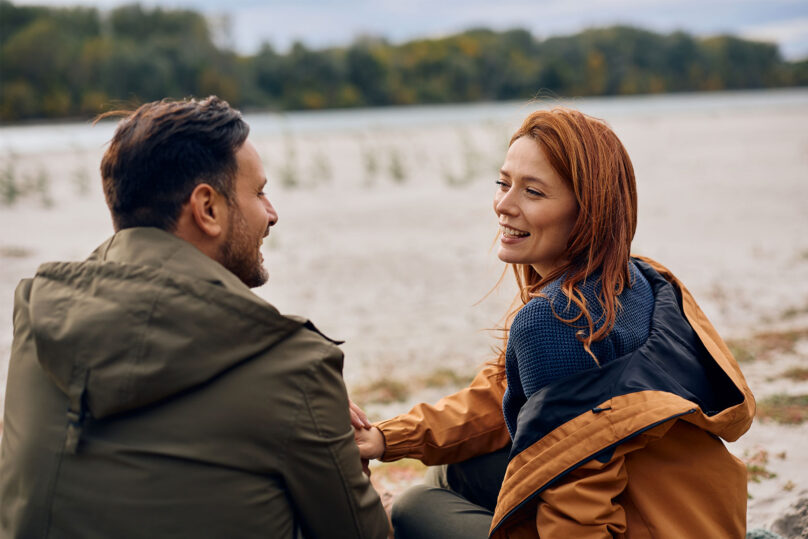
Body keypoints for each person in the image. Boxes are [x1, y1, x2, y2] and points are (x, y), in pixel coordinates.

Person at [354, 107, 755, 538]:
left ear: (588, 210)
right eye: (503, 183)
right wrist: (386, 438)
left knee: (414, 506)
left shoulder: (554, 319)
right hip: (700, 513)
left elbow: (581, 493)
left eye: (533, 193)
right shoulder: (639, 276)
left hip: (647, 522)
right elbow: (507, 394)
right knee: (456, 475)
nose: (503, 206)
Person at [0, 97, 389, 539]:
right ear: (207, 209)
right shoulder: (292, 365)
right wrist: (341, 454)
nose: (272, 213)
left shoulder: (39, 319)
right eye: (259, 192)